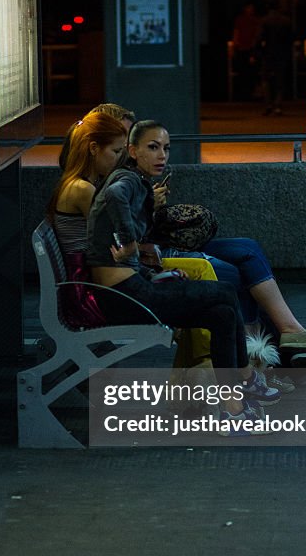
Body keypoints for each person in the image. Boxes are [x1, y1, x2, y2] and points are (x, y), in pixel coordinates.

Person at [86, 119, 284, 432]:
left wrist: (150, 269)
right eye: (152, 148)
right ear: (132, 150)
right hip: (125, 297)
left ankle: (233, 403)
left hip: (134, 287)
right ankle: (244, 382)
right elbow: (113, 197)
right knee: (224, 293)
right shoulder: (126, 180)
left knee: (220, 311)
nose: (161, 155)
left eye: (165, 148)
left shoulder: (137, 181)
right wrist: (130, 244)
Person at [47, 112, 220, 373]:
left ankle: (200, 373)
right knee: (203, 283)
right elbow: (114, 239)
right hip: (93, 290)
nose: (121, 159)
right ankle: (207, 371)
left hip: (97, 276)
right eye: (116, 151)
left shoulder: (85, 185)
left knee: (202, 283)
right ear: (94, 149)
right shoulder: (84, 190)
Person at [257, 0, 294, 116]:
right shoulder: (286, 21)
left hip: (268, 54)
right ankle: (278, 105)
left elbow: (259, 38)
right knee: (280, 81)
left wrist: (258, 52)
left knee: (266, 80)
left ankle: (268, 104)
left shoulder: (265, 21)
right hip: (282, 54)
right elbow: (291, 38)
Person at [231, 2, 262, 101]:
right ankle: (243, 93)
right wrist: (235, 44)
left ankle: (250, 93)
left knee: (251, 72)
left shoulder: (255, 20)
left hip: (250, 48)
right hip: (241, 48)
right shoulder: (240, 20)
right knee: (242, 71)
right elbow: (236, 32)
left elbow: (257, 34)